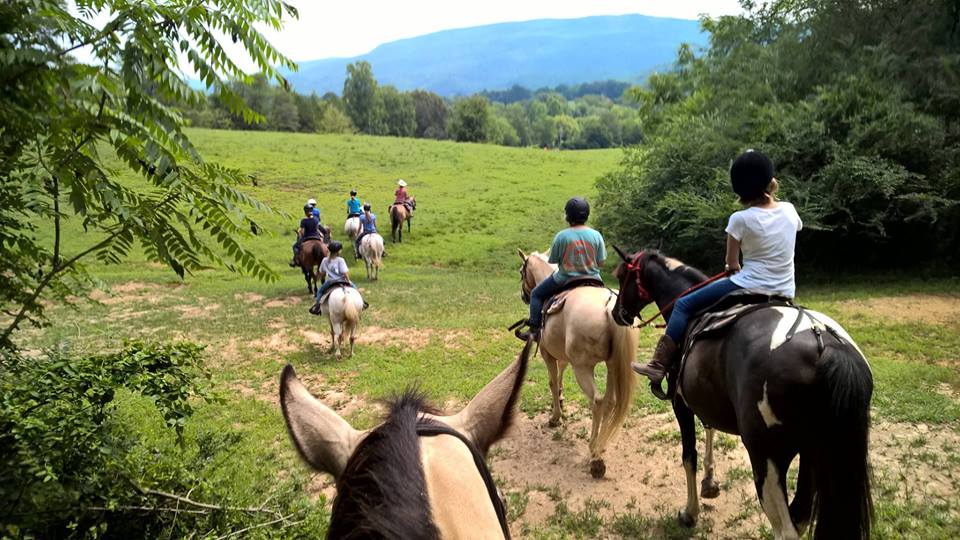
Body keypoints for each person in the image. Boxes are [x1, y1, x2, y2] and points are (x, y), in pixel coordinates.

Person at [632, 150, 803, 385]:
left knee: (683, 304)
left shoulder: (739, 219)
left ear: (739, 190)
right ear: (771, 181)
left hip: (748, 287)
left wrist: (734, 266)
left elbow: (732, 265)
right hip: (785, 290)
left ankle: (659, 364)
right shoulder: (790, 210)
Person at [515, 197, 606, 342]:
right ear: (586, 215)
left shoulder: (562, 236)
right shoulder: (597, 235)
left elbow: (554, 262)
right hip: (594, 279)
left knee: (536, 294)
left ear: (568, 216)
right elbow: (601, 263)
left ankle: (534, 330)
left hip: (566, 279)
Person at [309, 241, 364, 313]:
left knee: (320, 291)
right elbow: (345, 273)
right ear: (338, 251)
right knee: (355, 289)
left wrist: (317, 278)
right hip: (342, 280)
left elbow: (322, 273)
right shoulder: (340, 260)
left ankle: (317, 306)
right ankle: (362, 303)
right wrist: (348, 281)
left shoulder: (324, 260)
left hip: (330, 281)